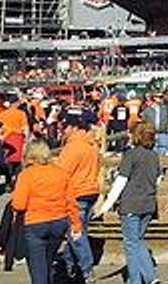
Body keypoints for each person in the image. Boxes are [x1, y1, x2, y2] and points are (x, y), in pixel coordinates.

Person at [11, 140, 82, 284]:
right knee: (48, 261)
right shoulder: (61, 173)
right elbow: (71, 202)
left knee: (38, 268)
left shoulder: (26, 175)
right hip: (59, 222)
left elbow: (19, 204)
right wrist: (76, 225)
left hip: (35, 223)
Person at [98, 122, 160, 284]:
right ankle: (148, 276)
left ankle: (140, 279)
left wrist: (105, 205)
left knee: (131, 245)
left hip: (131, 204)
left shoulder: (131, 155)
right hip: (149, 204)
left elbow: (120, 182)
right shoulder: (154, 155)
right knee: (138, 240)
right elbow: (158, 179)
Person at [55, 108, 101, 282]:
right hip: (90, 191)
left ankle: (86, 269)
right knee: (78, 232)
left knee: (76, 234)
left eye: (64, 126)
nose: (62, 130)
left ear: (73, 127)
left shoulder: (72, 147)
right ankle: (70, 266)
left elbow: (61, 172)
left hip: (76, 193)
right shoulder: (91, 144)